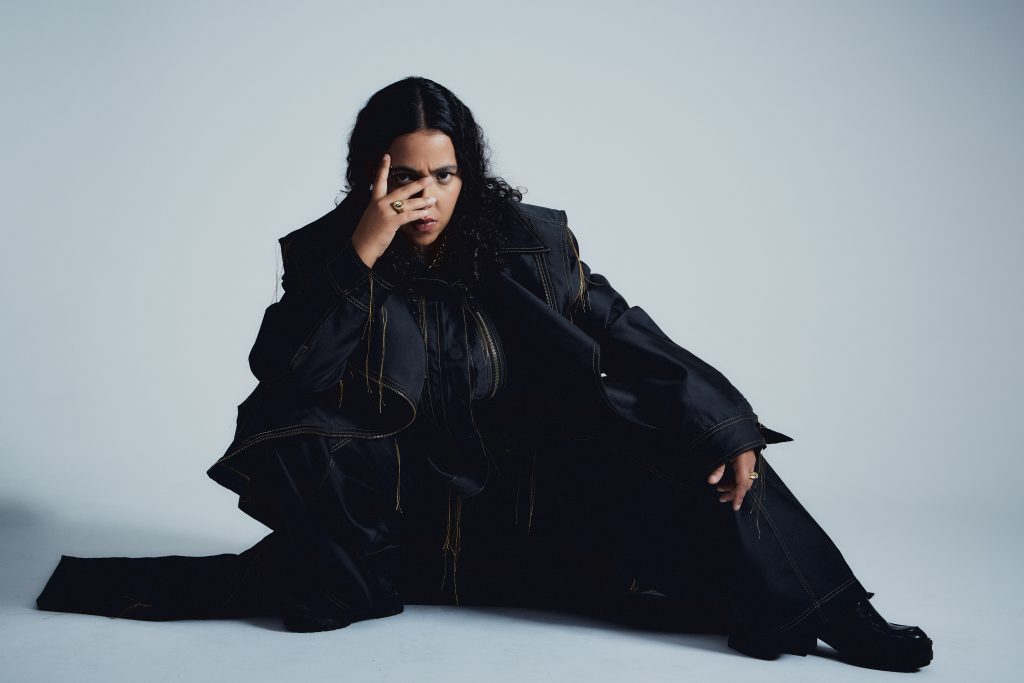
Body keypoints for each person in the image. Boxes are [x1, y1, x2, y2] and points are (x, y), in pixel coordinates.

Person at [35, 76, 932, 672]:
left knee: (711, 445)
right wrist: (363, 254)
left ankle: (835, 610)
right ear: (369, 175)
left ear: (469, 173)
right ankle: (355, 586)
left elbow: (625, 332)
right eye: (404, 176)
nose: (425, 195)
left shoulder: (529, 245)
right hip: (402, 527)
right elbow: (285, 373)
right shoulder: (329, 256)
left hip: (532, 513)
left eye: (445, 174)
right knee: (305, 429)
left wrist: (726, 424)